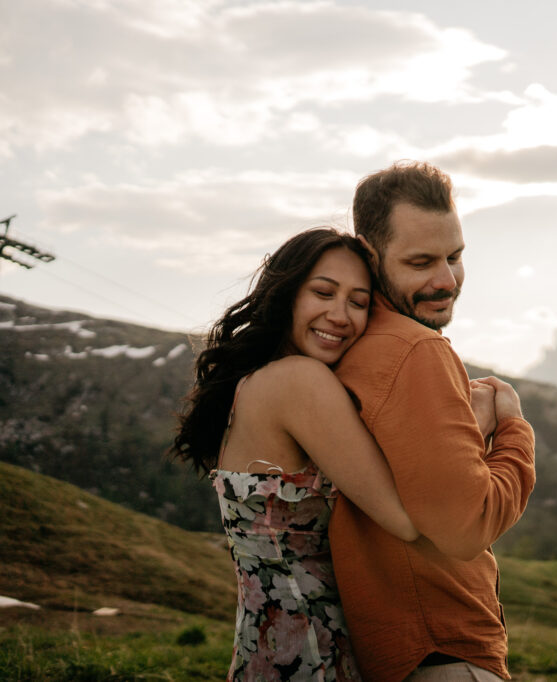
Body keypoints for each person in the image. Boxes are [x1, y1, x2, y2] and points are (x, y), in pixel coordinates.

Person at [171, 229, 426, 681]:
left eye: (359, 301)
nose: (340, 315)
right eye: (323, 292)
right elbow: (406, 520)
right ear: (287, 293)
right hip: (313, 649)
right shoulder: (299, 381)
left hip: (269, 643)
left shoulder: (253, 383)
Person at [328, 161, 536, 681]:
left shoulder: (346, 345)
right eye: (421, 262)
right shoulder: (414, 350)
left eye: (455, 257)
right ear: (368, 255)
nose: (446, 280)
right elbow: (466, 528)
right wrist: (512, 427)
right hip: (442, 653)